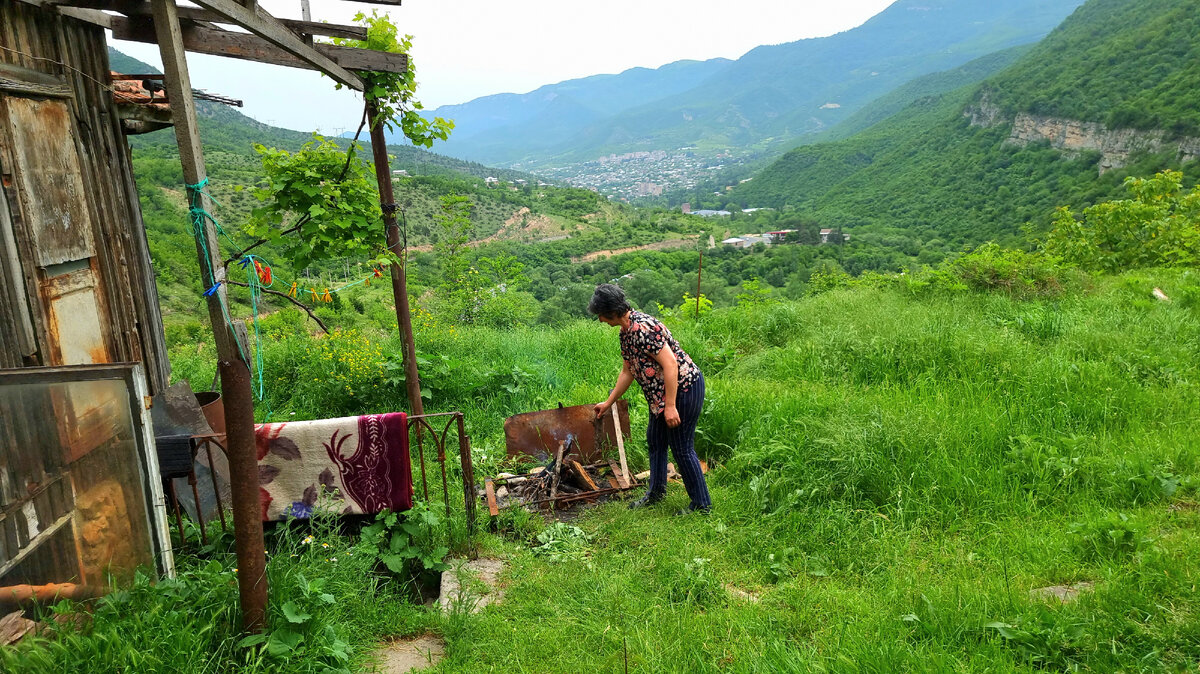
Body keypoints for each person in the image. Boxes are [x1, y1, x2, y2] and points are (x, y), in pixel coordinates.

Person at [590, 284, 712, 515]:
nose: (600, 320)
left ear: (612, 311)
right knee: (655, 441)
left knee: (682, 448)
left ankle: (701, 505)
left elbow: (671, 365)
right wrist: (609, 402)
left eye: (601, 315)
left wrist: (671, 406)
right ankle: (656, 493)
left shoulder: (643, 328)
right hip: (660, 397)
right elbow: (628, 371)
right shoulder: (626, 333)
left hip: (683, 389)